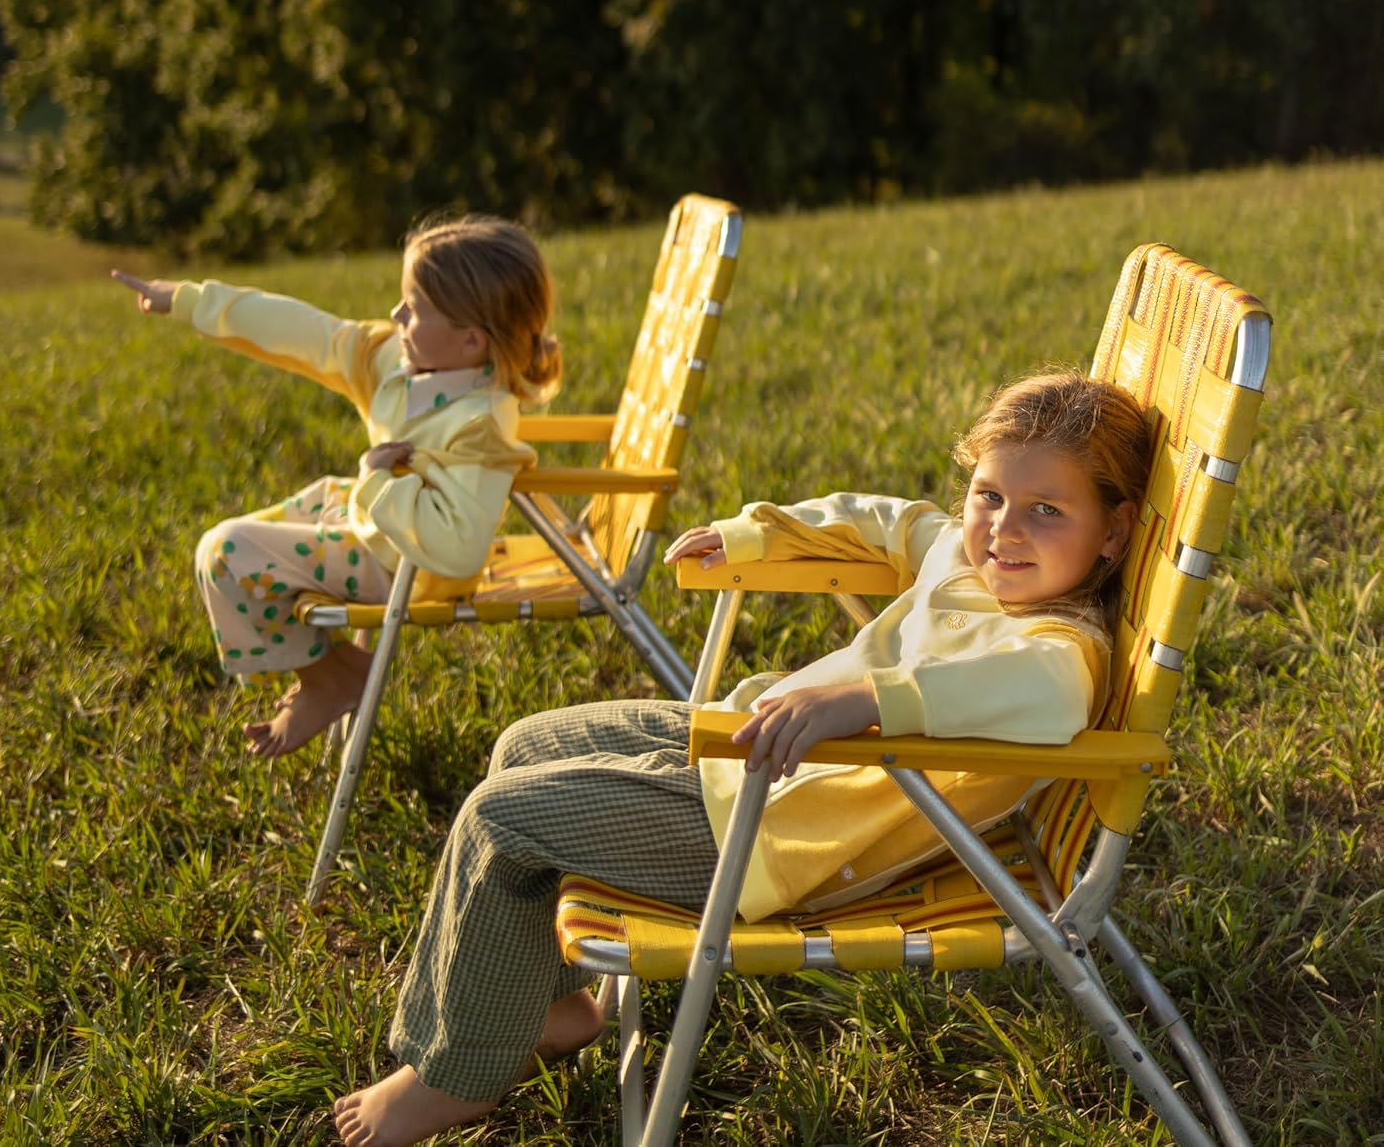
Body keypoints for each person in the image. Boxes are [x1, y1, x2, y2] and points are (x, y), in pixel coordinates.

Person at [330, 369, 1153, 1147]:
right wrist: (758, 532)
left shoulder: (1059, 650)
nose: (1003, 530)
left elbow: (1034, 695)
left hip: (778, 839)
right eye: (989, 495)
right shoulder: (967, 556)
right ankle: (551, 1009)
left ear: (1113, 532)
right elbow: (892, 519)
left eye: (1047, 511)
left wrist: (867, 699)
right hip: (750, 753)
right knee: (526, 743)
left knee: (500, 818)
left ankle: (456, 1072)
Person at [111, 215, 561, 758]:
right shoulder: (398, 361)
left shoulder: (480, 426)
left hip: (409, 567)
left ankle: (329, 674)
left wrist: (377, 482)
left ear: (470, 340)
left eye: (414, 308)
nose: (397, 315)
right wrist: (188, 300)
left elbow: (460, 548)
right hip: (374, 530)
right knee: (278, 525)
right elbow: (304, 330)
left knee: (225, 553)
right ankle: (334, 670)